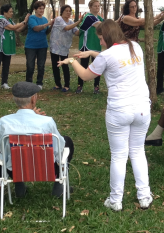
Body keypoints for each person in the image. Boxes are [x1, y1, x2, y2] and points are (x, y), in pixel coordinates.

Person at [64, 20, 153, 211]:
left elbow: (86, 75)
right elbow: (113, 58)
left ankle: (115, 200)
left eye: (102, 39)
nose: (101, 42)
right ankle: (144, 196)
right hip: (142, 109)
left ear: (109, 36)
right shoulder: (135, 47)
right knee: (138, 151)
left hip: (119, 110)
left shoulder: (107, 55)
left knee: (119, 156)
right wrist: (91, 54)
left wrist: (72, 61)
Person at [0, 82, 75, 197]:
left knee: (8, 151)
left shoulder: (3, 122)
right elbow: (59, 147)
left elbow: (1, 147)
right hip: (46, 168)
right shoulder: (46, 122)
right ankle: (59, 183)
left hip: (16, 169)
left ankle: (19, 185)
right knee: (67, 142)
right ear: (33, 99)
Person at [0, 4, 28, 91]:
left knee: (6, 65)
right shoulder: (1, 19)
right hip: (0, 46)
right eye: (10, 12)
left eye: (12, 11)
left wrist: (26, 23)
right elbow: (13, 27)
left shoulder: (9, 20)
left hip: (7, 46)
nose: (12, 13)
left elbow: (17, 29)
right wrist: (24, 21)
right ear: (4, 12)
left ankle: (4, 83)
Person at [73, 0, 104, 94]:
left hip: (96, 45)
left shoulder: (99, 18)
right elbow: (102, 26)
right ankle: (80, 86)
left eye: (98, 6)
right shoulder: (88, 17)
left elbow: (105, 24)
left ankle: (96, 87)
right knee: (83, 66)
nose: (97, 7)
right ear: (90, 7)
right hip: (86, 45)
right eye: (95, 6)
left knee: (97, 66)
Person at [49, 5, 78, 92]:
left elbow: (76, 32)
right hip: (55, 47)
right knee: (55, 66)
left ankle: (67, 85)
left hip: (64, 48)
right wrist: (79, 21)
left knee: (65, 66)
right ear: (62, 11)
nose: (68, 12)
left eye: (70, 11)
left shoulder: (71, 22)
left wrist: (85, 27)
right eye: (66, 11)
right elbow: (66, 28)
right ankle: (58, 84)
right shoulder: (58, 19)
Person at [26, 1, 53, 88]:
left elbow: (46, 31)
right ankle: (29, 82)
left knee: (41, 65)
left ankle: (39, 83)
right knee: (30, 65)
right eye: (40, 8)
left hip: (42, 45)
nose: (41, 10)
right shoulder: (32, 18)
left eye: (43, 8)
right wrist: (48, 24)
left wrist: (52, 26)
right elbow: (36, 28)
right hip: (31, 46)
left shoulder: (44, 19)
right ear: (35, 9)